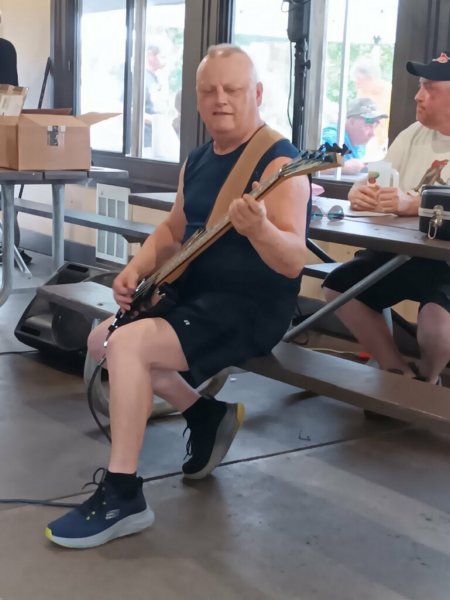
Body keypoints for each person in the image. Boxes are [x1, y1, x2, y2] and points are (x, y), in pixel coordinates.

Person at [45, 44, 311, 549]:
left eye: (232, 89)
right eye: (209, 90)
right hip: (196, 294)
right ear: (196, 98)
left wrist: (259, 230)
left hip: (249, 306)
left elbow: (293, 260)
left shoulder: (281, 163)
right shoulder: (199, 158)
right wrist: (134, 269)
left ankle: (123, 492)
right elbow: (173, 229)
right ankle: (204, 414)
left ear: (257, 93)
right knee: (102, 342)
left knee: (128, 346)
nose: (220, 99)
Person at [322, 51, 450, 386]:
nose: (418, 96)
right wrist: (358, 193)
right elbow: (374, 181)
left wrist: (415, 204)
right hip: (401, 256)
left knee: (437, 326)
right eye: (420, 86)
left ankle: (428, 380)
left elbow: (409, 203)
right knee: (339, 287)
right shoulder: (412, 134)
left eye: (430, 88)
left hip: (446, 264)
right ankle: (396, 372)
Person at [0, 19, 32, 265]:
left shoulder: (5, 49)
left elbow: (10, 93)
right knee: (6, 198)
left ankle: (10, 248)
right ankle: (11, 248)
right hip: (5, 130)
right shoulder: (6, 48)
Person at [322, 97, 387, 175]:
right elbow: (311, 164)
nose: (373, 134)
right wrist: (343, 167)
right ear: (352, 122)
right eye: (368, 126)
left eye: (375, 127)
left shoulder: (359, 143)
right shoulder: (332, 137)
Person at [351, 56, 392, 154]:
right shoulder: (362, 93)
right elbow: (363, 120)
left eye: (359, 81)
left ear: (370, 78)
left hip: (387, 145)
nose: (357, 86)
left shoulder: (391, 92)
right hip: (368, 146)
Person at [143, 44, 165, 148]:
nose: (165, 60)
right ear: (151, 56)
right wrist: (156, 122)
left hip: (156, 135)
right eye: (162, 56)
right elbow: (131, 110)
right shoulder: (143, 79)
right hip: (145, 137)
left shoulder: (155, 78)